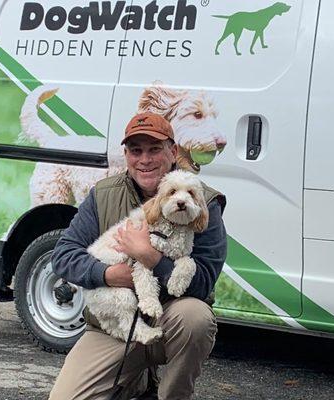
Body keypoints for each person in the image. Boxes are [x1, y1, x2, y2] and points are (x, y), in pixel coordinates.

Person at [49, 112, 227, 400]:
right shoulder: (103, 194)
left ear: (173, 151)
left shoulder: (202, 200)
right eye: (136, 150)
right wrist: (108, 275)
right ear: (127, 155)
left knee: (196, 318)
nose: (145, 159)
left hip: (170, 319)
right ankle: (136, 381)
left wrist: (149, 257)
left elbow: (204, 281)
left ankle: (171, 395)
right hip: (116, 326)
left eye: (154, 149)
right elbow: (64, 255)